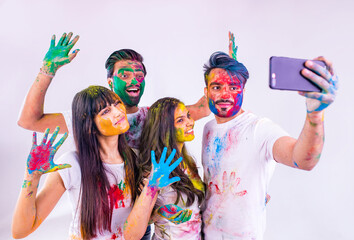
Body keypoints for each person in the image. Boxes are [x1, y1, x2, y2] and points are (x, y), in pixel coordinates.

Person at [201, 34, 339, 239]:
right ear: (206, 92)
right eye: (217, 87)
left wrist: (315, 113)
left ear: (244, 92)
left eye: (233, 87)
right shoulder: (208, 128)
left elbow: (303, 159)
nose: (225, 95)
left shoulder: (259, 129)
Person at [12, 86, 183, 240]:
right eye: (105, 111)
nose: (118, 112)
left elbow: (133, 234)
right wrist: (32, 176)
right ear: (89, 126)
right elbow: (21, 231)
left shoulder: (135, 160)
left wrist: (154, 198)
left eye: (117, 104)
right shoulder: (72, 164)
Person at [17, 32, 210, 150]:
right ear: (110, 82)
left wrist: (223, 74)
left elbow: (202, 108)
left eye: (139, 75)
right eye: (125, 75)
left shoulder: (154, 116)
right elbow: (29, 121)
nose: (134, 80)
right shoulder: (91, 118)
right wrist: (47, 72)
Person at [123, 97, 205, 240]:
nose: (190, 123)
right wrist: (152, 187)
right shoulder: (154, 171)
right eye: (180, 120)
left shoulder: (187, 161)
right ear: (165, 128)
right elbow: (131, 234)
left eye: (188, 116)